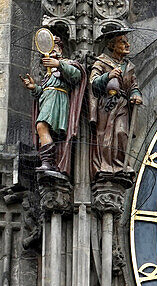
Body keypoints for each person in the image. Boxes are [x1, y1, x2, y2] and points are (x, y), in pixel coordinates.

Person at [20, 35, 85, 176]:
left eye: (53, 47)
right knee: (42, 129)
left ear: (60, 49)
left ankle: (47, 162)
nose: (49, 52)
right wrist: (33, 88)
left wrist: (59, 65)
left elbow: (77, 76)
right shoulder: (47, 74)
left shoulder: (67, 63)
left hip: (58, 101)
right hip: (47, 101)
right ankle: (48, 162)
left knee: (41, 126)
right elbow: (43, 92)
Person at [88, 25, 143, 177]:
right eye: (122, 42)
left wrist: (136, 95)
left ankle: (120, 165)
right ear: (112, 45)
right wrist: (108, 76)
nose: (128, 45)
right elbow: (93, 83)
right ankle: (105, 165)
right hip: (106, 105)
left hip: (122, 105)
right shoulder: (102, 62)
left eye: (127, 41)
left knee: (121, 132)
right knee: (105, 135)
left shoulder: (129, 67)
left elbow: (133, 86)